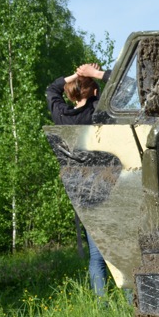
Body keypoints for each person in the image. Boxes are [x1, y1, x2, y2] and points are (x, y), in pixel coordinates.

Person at [46, 63, 111, 297]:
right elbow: (124, 85)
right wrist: (94, 74)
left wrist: (76, 75)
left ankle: (102, 307)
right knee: (120, 251)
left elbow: (52, 89)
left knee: (97, 257)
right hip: (111, 188)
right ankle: (130, 304)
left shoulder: (62, 116)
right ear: (95, 92)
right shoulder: (99, 112)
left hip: (82, 193)